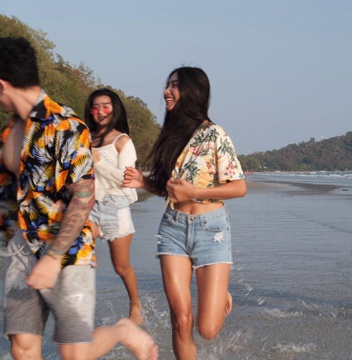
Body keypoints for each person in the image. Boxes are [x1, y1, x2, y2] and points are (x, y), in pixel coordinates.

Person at [0, 37, 157, 359]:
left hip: (66, 249)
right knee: (22, 348)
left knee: (76, 354)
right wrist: (10, 234)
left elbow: (84, 196)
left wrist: (52, 257)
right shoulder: (7, 132)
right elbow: (11, 194)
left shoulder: (66, 126)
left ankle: (121, 330)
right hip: (21, 248)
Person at [122, 66, 246, 359]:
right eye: (167, 85)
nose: (167, 91)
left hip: (212, 230)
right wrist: (143, 182)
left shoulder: (214, 134)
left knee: (208, 329)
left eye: (174, 86)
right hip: (173, 229)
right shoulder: (170, 135)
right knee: (181, 321)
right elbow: (170, 189)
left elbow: (239, 187)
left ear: (193, 91)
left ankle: (217, 290)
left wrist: (196, 193)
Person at [85, 88, 143, 325]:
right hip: (88, 204)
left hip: (115, 205)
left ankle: (135, 304)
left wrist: (97, 162)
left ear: (115, 108)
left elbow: (126, 178)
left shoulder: (123, 141)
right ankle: (79, 304)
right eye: (96, 107)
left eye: (106, 106)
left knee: (121, 267)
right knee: (80, 244)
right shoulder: (86, 138)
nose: (100, 111)